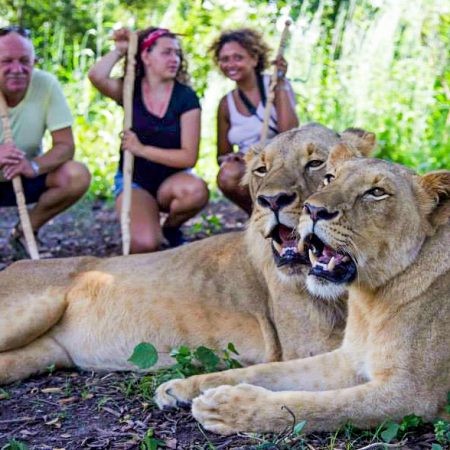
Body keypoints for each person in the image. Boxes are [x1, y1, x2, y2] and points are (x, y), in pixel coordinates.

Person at [88, 27, 208, 252]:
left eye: (177, 53)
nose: (174, 59)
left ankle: (170, 228)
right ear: (146, 56)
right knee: (145, 244)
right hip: (136, 180)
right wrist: (120, 50)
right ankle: (148, 223)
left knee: (195, 191)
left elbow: (188, 157)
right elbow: (96, 76)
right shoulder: (129, 89)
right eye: (166, 52)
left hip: (171, 182)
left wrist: (141, 149)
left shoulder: (186, 97)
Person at [0, 25, 91, 258]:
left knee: (76, 174)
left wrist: (33, 166)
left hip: (22, 176)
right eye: (6, 61)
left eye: (24, 61)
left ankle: (25, 231)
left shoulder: (46, 84)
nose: (16, 69)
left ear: (34, 61)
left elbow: (65, 145)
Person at [210, 28, 299, 214]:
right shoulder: (226, 103)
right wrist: (230, 158)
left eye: (238, 57)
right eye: (225, 59)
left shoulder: (275, 85)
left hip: (281, 161)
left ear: (254, 59)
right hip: (250, 166)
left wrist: (281, 82)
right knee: (227, 175)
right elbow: (222, 155)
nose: (230, 64)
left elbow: (289, 134)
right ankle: (258, 216)